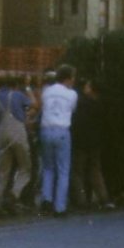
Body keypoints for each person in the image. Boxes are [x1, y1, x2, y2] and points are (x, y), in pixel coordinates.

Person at [0, 76, 34, 218]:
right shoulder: (18, 95)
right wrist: (28, 88)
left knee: (2, 171)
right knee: (25, 168)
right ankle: (14, 195)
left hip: (1, 133)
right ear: (15, 85)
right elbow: (34, 104)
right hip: (17, 132)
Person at [39, 65, 78, 218]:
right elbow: (72, 110)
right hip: (62, 130)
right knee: (63, 170)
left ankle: (46, 199)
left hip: (46, 129)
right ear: (68, 78)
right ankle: (60, 207)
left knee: (48, 167)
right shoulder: (72, 94)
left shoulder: (46, 91)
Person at [69, 80, 112, 209]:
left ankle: (81, 200)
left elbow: (76, 122)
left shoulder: (81, 103)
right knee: (95, 170)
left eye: (88, 86)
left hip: (81, 142)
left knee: (78, 172)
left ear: (92, 89)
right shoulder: (101, 104)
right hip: (95, 142)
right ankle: (104, 198)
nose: (85, 88)